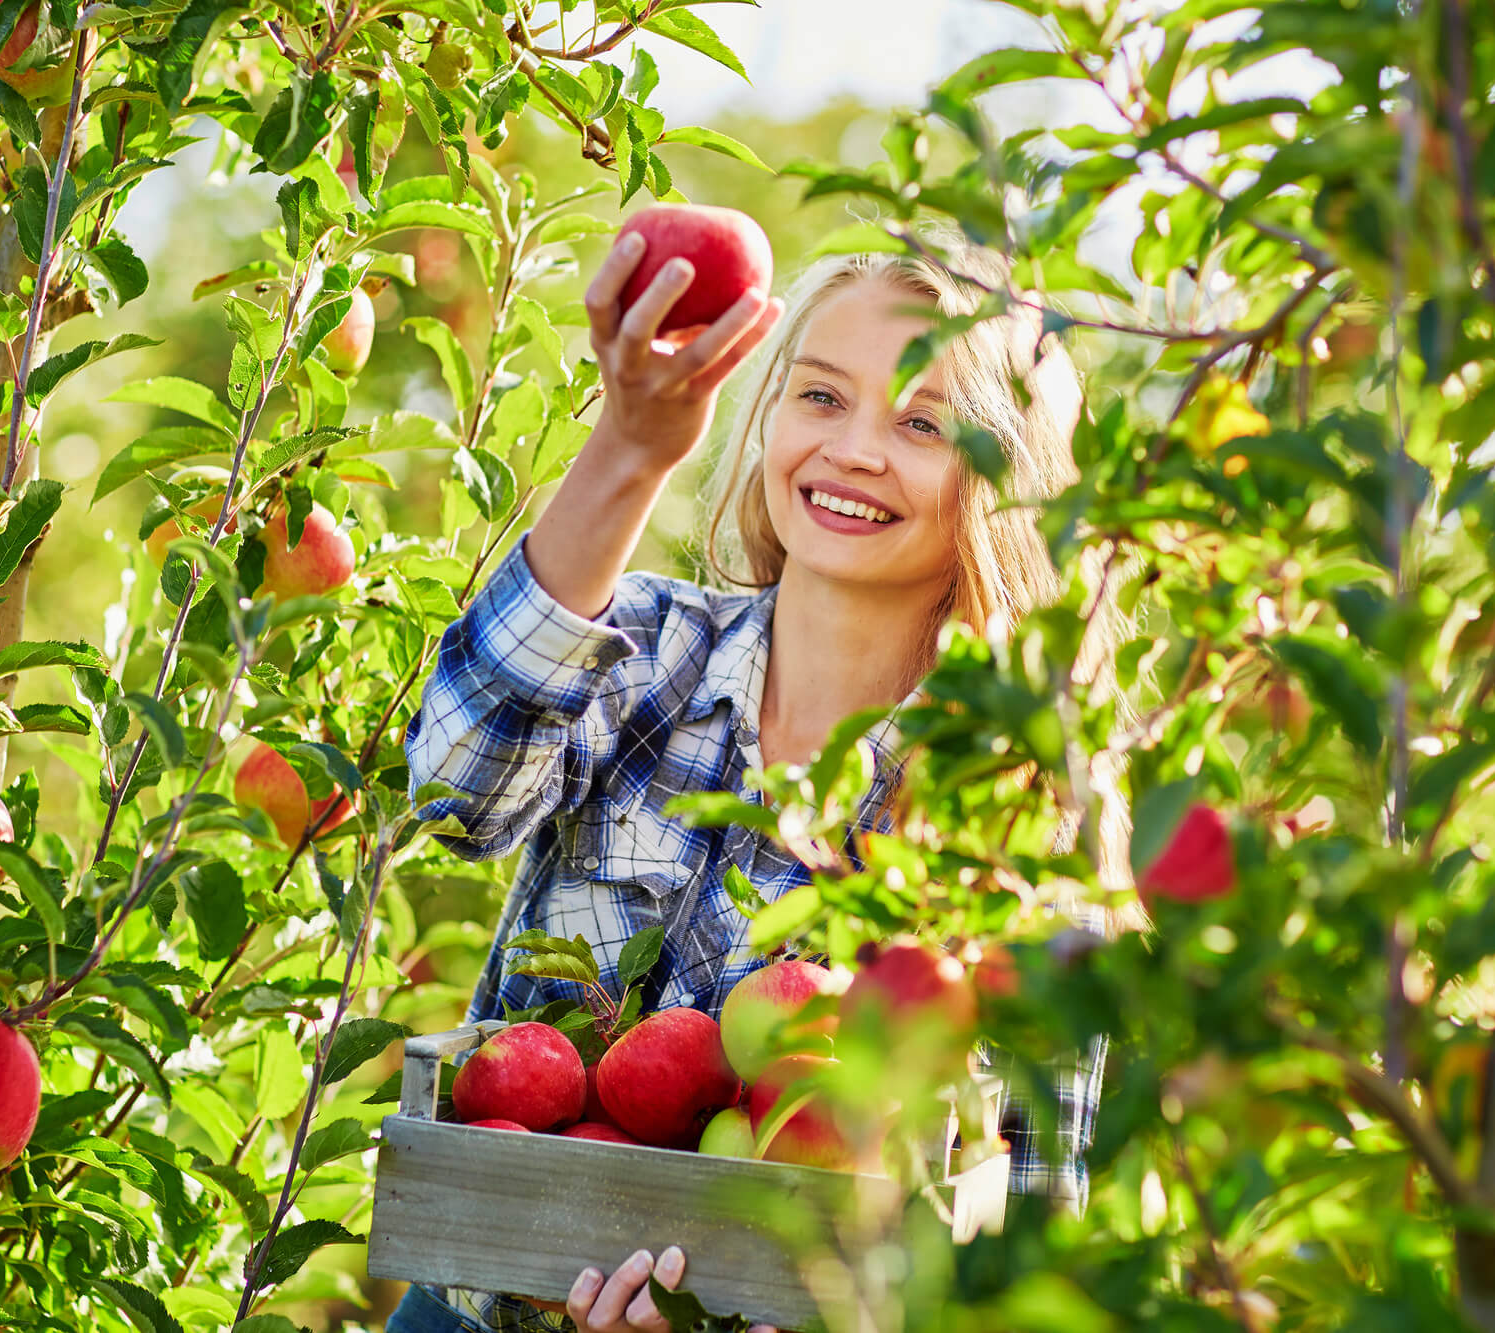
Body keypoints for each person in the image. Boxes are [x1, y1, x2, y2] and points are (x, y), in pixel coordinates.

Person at [393, 224, 1110, 1333]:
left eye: (922, 422)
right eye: (819, 397)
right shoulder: (639, 652)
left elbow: (1028, 1221)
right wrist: (630, 447)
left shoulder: (1015, 814)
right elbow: (454, 791)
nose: (853, 449)